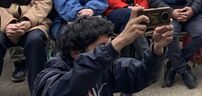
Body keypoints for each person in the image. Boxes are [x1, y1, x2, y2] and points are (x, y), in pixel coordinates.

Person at [32, 8, 173, 96]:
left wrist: (157, 49)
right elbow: (74, 83)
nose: (108, 50)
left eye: (108, 44)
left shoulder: (106, 66)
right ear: (76, 52)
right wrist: (120, 41)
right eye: (102, 46)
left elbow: (142, 75)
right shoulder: (49, 79)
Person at [0, 0, 52, 93]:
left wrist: (28, 21)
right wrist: (8, 24)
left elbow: (44, 2)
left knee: (35, 41)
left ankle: (38, 90)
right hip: (3, 25)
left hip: (34, 24)